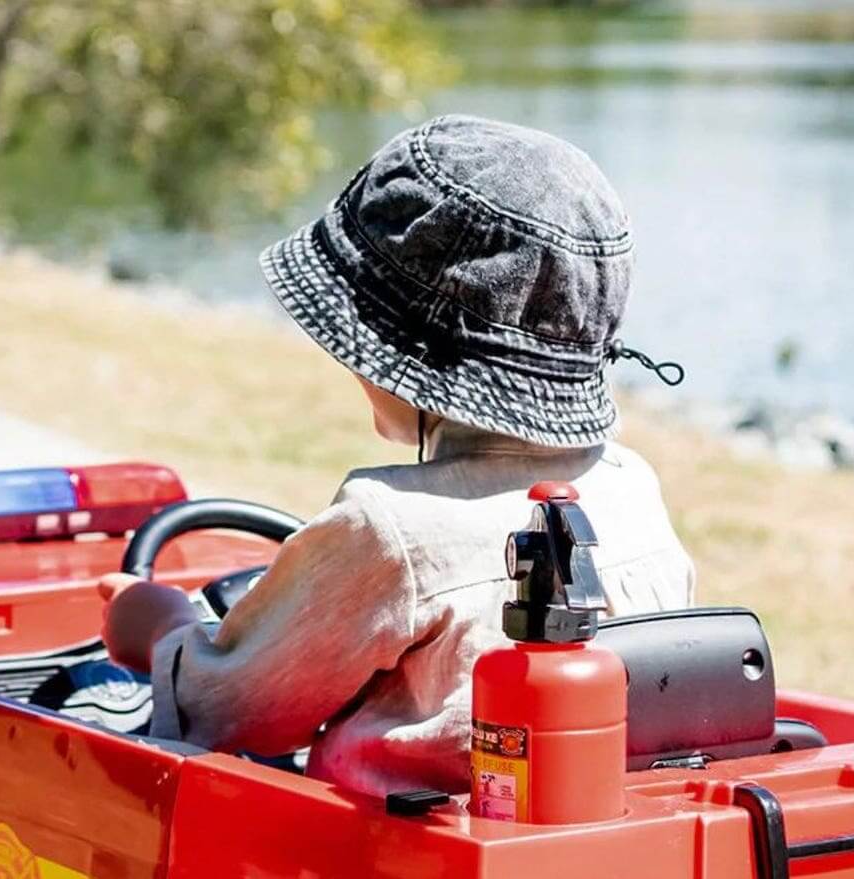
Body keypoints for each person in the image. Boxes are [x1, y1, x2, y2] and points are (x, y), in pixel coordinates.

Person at [100, 115, 695, 798]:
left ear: (402, 355)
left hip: (377, 855)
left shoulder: (388, 528)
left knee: (93, 706)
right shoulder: (630, 488)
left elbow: (230, 710)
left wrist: (160, 629)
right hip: (578, 832)